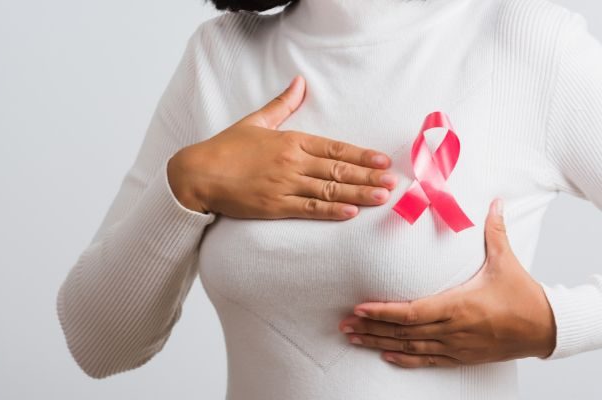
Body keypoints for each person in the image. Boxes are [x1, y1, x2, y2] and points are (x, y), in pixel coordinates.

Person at [56, 0, 602, 398]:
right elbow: (99, 345)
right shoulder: (221, 55)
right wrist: (188, 182)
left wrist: (555, 322)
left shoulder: (526, 44)